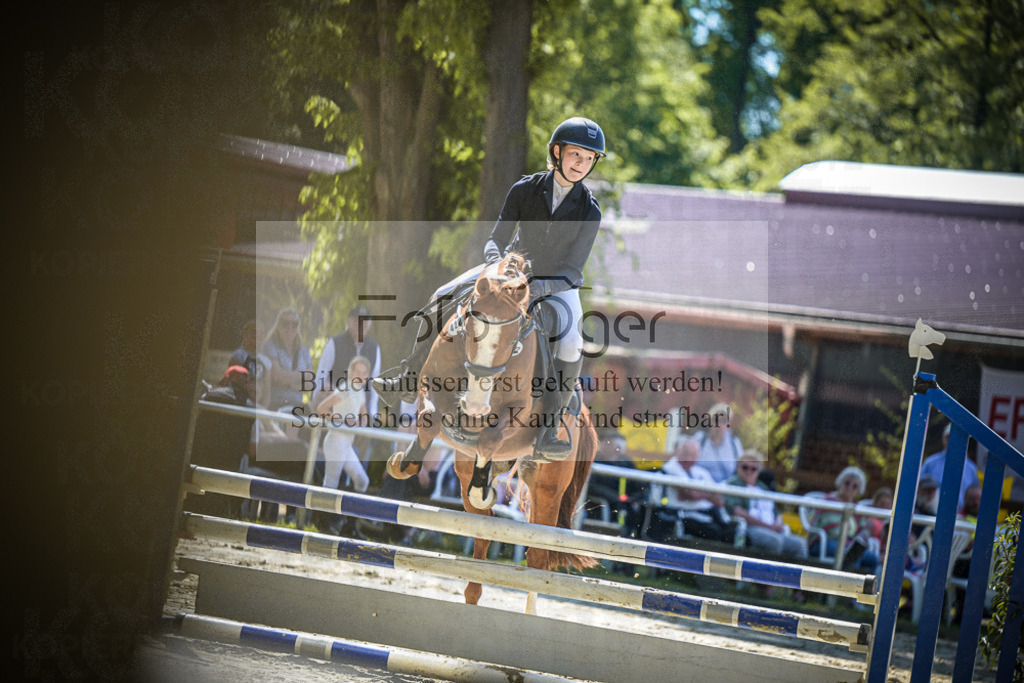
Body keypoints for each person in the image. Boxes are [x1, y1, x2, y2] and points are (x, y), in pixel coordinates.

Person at [373, 117, 607, 459]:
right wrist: (498, 269)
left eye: (588, 159)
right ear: (556, 152)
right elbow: (496, 239)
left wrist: (536, 289)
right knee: (441, 294)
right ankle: (408, 379)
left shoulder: (590, 211)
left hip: (556, 285)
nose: (581, 164)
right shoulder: (524, 189)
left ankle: (550, 427)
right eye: (575, 155)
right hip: (507, 273)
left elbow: (572, 271)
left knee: (572, 342)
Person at [186, 365, 260, 517]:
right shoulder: (252, 409)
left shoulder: (209, 397)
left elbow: (191, 430)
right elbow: (253, 450)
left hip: (198, 470)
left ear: (227, 379)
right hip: (228, 479)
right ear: (246, 384)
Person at [724, 450, 808, 559]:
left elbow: (776, 512)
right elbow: (738, 512)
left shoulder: (762, 487)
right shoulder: (733, 484)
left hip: (771, 529)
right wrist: (768, 527)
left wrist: (778, 524)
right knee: (774, 541)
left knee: (800, 544)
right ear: (738, 467)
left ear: (759, 471)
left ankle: (793, 575)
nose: (749, 471)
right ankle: (771, 575)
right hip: (748, 529)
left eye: (753, 469)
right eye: (745, 467)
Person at [658, 438, 739, 545]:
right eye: (686, 453)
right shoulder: (670, 468)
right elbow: (690, 493)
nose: (688, 458)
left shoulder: (701, 472)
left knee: (732, 532)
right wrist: (707, 494)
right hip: (681, 516)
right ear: (678, 452)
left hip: (706, 516)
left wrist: (699, 494)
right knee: (716, 533)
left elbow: (719, 501)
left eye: (692, 455)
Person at [809, 465, 879, 572]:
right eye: (847, 483)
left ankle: (866, 588)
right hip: (825, 543)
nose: (849, 488)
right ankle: (845, 587)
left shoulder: (856, 510)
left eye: (855, 486)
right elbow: (833, 531)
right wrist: (851, 544)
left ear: (859, 491)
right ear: (840, 483)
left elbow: (863, 531)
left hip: (846, 546)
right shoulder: (829, 501)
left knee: (872, 559)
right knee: (852, 557)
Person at [262, 307, 313, 411]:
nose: (290, 327)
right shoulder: (270, 346)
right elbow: (277, 376)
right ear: (278, 326)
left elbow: (310, 384)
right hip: (276, 403)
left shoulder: (303, 351)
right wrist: (301, 378)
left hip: (297, 404)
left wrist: (287, 381)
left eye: (294, 324)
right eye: (285, 323)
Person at [920, 422, 980, 511]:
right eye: (948, 438)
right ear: (943, 439)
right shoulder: (930, 463)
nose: (952, 441)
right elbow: (919, 488)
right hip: (931, 515)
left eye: (956, 438)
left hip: (962, 517)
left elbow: (975, 494)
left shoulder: (971, 468)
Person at [691, 402, 744, 483]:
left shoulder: (735, 444)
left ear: (728, 423)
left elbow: (742, 470)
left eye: (723, 420)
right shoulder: (700, 439)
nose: (719, 424)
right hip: (700, 487)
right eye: (716, 419)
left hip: (726, 490)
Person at [228, 318, 272, 408]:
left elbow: (267, 391)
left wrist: (264, 409)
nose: (257, 336)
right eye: (253, 333)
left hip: (257, 405)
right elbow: (234, 381)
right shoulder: (239, 355)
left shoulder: (266, 362)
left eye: (261, 334)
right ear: (245, 334)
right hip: (239, 401)